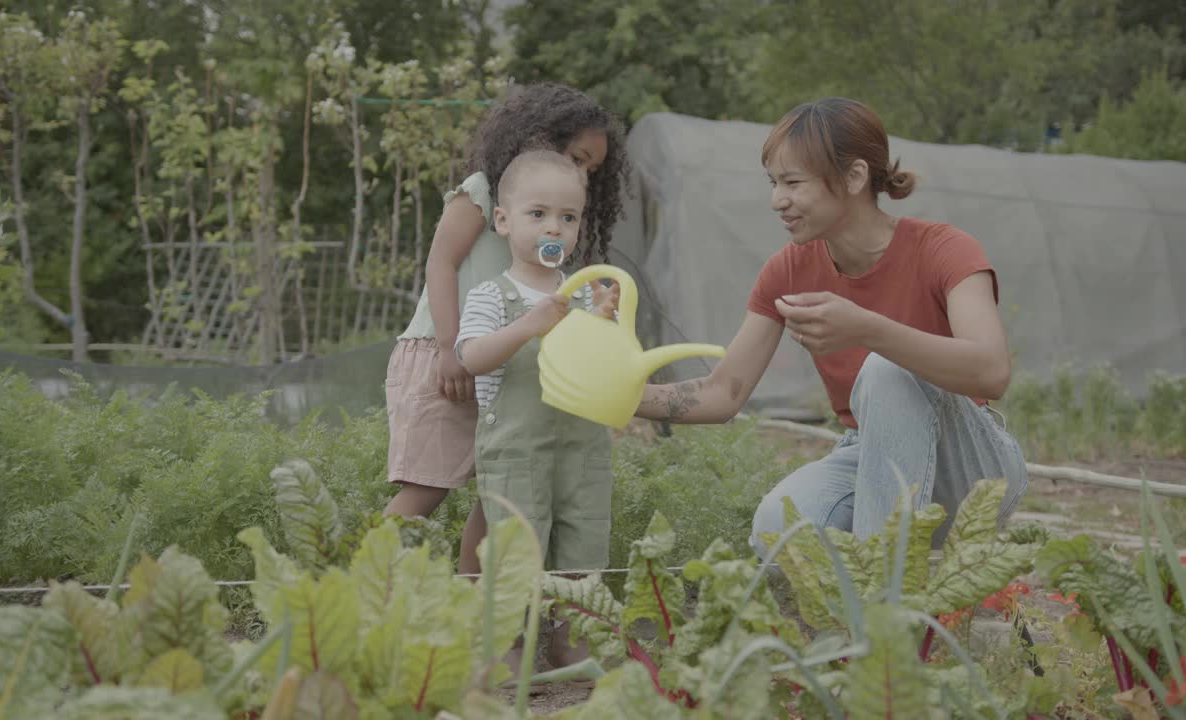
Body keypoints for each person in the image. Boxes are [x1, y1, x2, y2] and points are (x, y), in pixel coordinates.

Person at [634, 97, 1028, 554]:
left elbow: (992, 370)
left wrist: (868, 329)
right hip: (871, 453)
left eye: (793, 183)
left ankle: (883, 605)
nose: (777, 200)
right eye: (773, 183)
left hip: (972, 465)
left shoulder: (945, 249)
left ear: (855, 176)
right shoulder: (788, 270)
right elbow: (723, 393)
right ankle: (870, 602)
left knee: (885, 369)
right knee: (780, 531)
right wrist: (617, 397)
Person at [382, 82, 628, 576]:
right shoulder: (484, 190)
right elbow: (441, 263)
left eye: (590, 171)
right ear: (537, 135)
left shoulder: (552, 224)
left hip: (506, 366)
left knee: (498, 492)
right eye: (576, 157)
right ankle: (353, 585)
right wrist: (450, 349)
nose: (580, 174)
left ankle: (478, 599)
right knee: (428, 486)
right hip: (445, 349)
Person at [455, 149, 619, 669]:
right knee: (516, 550)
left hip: (583, 449)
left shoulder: (585, 296)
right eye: (538, 214)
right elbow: (472, 358)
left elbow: (609, 366)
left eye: (568, 218)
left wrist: (606, 322)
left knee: (583, 542)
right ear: (502, 221)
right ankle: (508, 645)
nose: (555, 227)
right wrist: (530, 323)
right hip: (517, 451)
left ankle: (572, 640)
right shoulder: (490, 295)